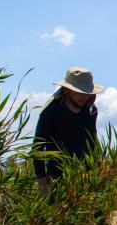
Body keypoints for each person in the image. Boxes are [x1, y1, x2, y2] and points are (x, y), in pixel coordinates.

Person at [33, 67, 103, 197]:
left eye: (86, 92)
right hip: (58, 177)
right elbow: (37, 147)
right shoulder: (51, 112)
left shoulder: (90, 111)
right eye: (80, 92)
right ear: (67, 90)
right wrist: (42, 181)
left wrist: (99, 170)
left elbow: (93, 140)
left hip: (87, 177)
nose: (84, 96)